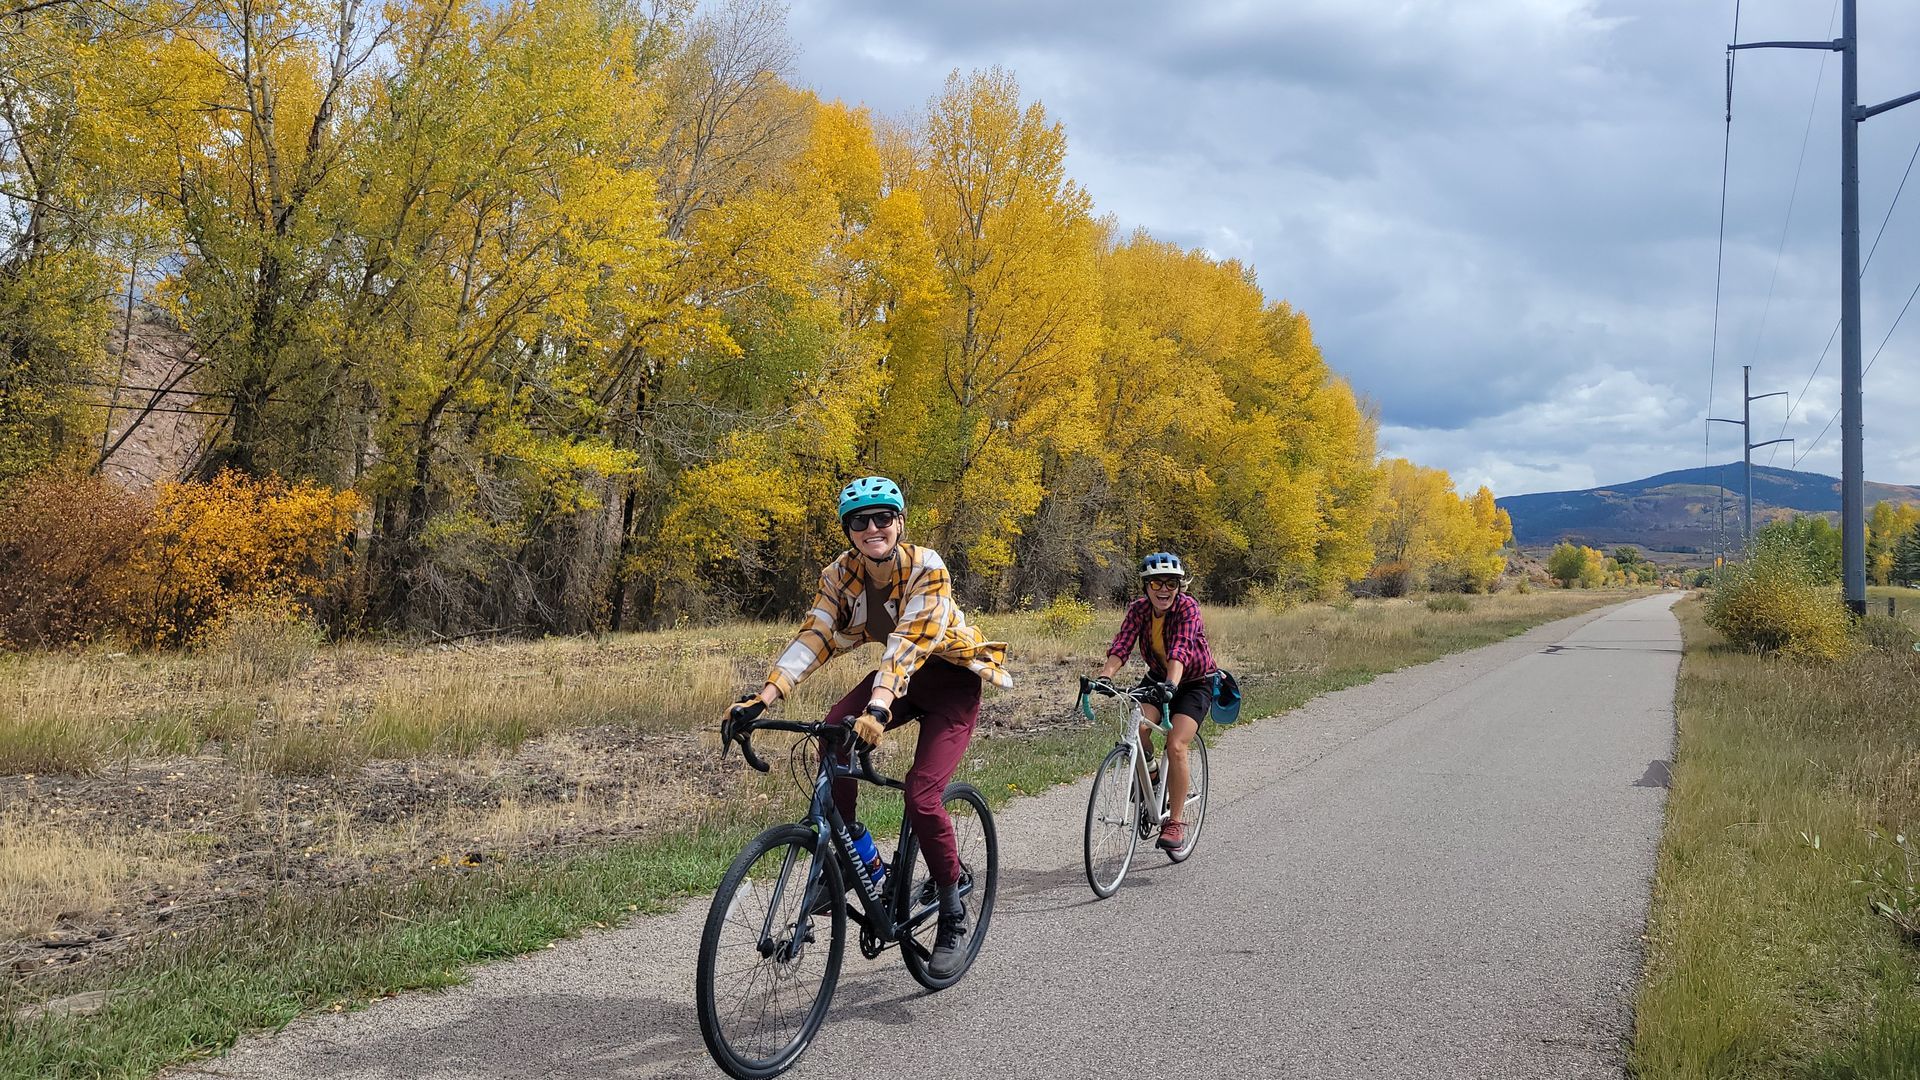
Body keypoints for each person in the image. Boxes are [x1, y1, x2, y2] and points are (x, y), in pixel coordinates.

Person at [724, 476, 1010, 977]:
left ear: (900, 522)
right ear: (848, 530)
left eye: (883, 518)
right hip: (897, 681)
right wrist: (762, 698)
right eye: (860, 521)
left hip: (949, 682)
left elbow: (907, 643)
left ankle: (951, 910)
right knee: (833, 733)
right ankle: (858, 859)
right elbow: (815, 635)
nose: (872, 528)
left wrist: (878, 707)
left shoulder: (928, 567)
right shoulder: (839, 574)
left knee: (922, 796)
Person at [1091, 551, 1216, 852]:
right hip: (1160, 677)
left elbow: (1181, 649)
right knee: (1138, 727)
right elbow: (1122, 643)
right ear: (1146, 586)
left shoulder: (1188, 608)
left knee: (1176, 744)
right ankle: (1153, 776)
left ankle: (1174, 820)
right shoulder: (1139, 609)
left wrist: (1172, 684)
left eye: (1171, 583)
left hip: (1195, 682)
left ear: (1179, 585)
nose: (1164, 590)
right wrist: (1106, 676)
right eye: (1157, 583)